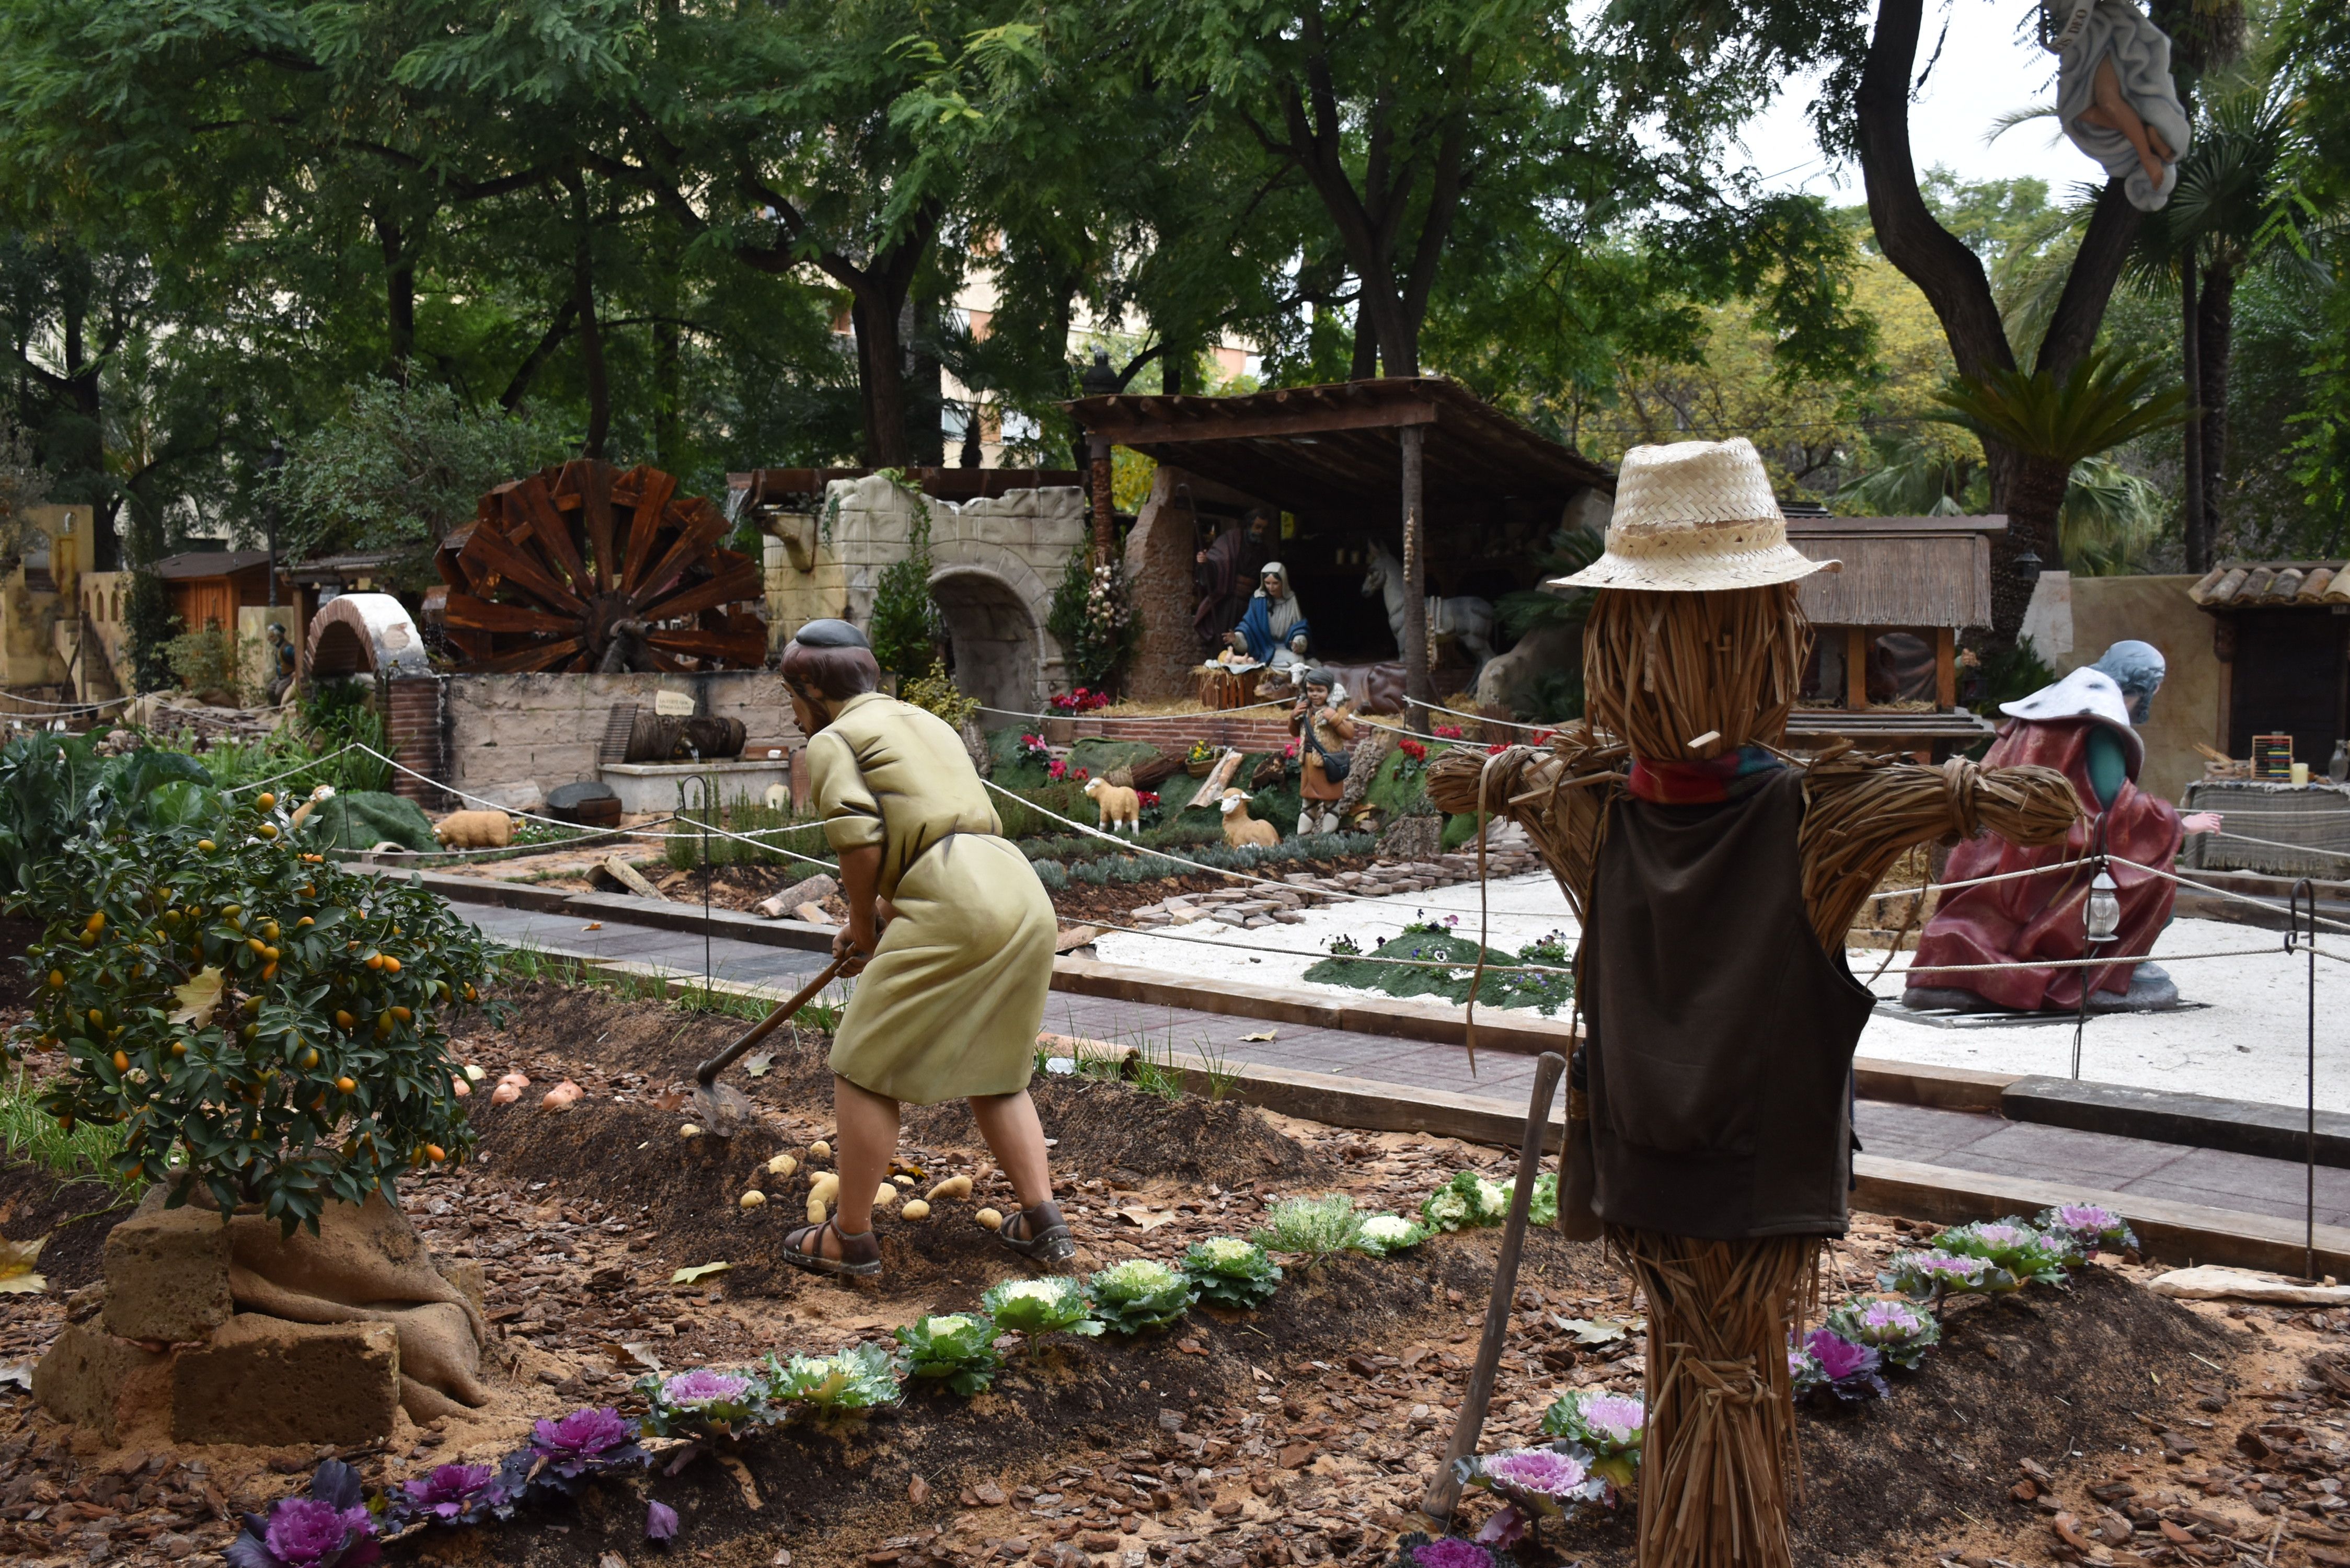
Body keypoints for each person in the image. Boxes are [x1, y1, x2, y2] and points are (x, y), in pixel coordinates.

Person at [776, 619, 1073, 1278]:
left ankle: (849, 1236)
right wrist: (882, 916)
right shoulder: (923, 722)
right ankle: (1042, 1220)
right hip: (1016, 889)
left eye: (791, 699)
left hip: (954, 899)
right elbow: (936, 831)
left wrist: (860, 924)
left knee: (862, 1063)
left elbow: (861, 843)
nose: (792, 716)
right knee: (998, 1065)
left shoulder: (832, 741)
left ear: (810, 691)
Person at [1905, 639, 2223, 1013]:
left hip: (1999, 848)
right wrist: (2179, 824)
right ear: (2146, 688)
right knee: (2158, 879)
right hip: (2051, 861)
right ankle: (2110, 967)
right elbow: (2112, 809)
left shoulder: (2043, 708)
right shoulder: (2098, 722)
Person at [1193, 510, 1272, 658]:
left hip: (1251, 606)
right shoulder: (1230, 541)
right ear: (1248, 526)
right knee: (1222, 645)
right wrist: (1205, 564)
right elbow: (1216, 565)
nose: (1261, 532)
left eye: (1264, 528)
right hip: (1229, 604)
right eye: (1257, 527)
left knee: (1247, 644)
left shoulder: (1263, 550)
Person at [1289, 670, 1356, 835]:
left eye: (1320, 690)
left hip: (1328, 765)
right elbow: (1294, 732)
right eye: (1311, 690)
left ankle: (1327, 839)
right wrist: (1293, 716)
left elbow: (1349, 733)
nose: (1315, 694)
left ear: (1329, 691)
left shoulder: (1337, 709)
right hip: (1308, 764)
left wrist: (1334, 718)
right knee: (1308, 803)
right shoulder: (1305, 708)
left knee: (1331, 804)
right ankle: (1303, 838)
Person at [1227, 562, 1311, 670]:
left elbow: (1299, 628)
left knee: (1297, 662)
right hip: (1263, 648)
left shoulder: (1291, 600)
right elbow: (1248, 627)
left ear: (1283, 582)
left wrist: (1298, 643)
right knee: (1253, 662)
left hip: (1284, 649)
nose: (1271, 587)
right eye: (1267, 583)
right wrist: (1237, 638)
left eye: (1275, 583)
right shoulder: (1258, 600)